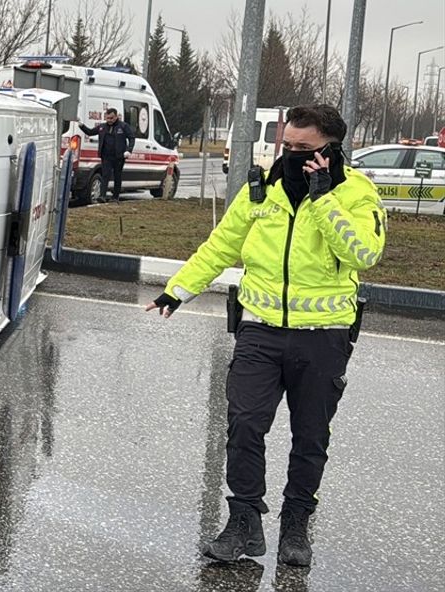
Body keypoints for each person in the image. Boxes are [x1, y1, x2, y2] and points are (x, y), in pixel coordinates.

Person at [147, 104, 386, 568]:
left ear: (332, 149)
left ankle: (296, 525)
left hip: (324, 336)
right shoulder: (262, 190)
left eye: (306, 149)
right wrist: (178, 290)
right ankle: (243, 520)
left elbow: (364, 253)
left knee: (310, 436)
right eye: (288, 147)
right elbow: (220, 245)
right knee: (244, 424)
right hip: (260, 329)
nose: (294, 156)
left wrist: (323, 200)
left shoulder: (357, 193)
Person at [79, 107, 134, 202]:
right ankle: (102, 196)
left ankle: (115, 197)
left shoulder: (123, 126)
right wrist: (81, 126)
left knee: (117, 176)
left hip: (119, 156)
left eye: (111, 118)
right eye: (107, 118)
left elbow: (131, 138)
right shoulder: (102, 127)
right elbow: (90, 132)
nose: (109, 120)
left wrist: (129, 150)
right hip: (106, 156)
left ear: (116, 116)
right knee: (105, 175)